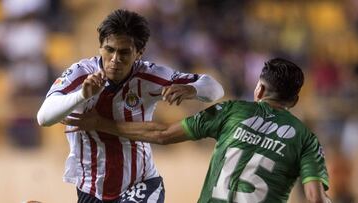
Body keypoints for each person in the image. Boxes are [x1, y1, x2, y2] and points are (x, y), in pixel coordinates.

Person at [62, 58, 331, 203]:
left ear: (259, 89)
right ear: (294, 101)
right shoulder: (306, 140)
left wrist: (101, 124)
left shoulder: (233, 111)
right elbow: (315, 199)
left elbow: (162, 133)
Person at [37, 9, 224, 203]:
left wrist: (192, 89)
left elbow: (215, 88)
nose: (115, 59)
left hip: (140, 184)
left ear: (139, 53)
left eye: (124, 52)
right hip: (91, 189)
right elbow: (44, 117)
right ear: (100, 46)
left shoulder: (150, 76)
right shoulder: (80, 73)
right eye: (110, 49)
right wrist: (82, 95)